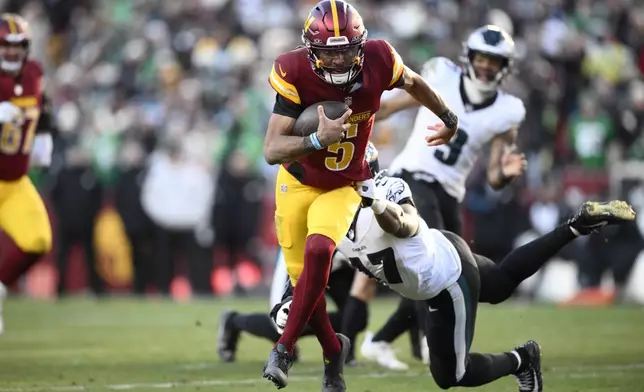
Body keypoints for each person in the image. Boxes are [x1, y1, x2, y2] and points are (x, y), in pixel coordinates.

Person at [272, 169, 636, 391]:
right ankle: (575, 226)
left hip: (446, 278)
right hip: (442, 251)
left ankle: (522, 360)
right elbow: (310, 273)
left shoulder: (386, 191)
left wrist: (377, 205)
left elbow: (406, 222)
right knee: (503, 283)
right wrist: (289, 299)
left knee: (451, 376)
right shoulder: (327, 222)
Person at [261, 0, 459, 390]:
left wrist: (449, 119)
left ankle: (283, 350)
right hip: (297, 181)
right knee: (307, 290)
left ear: (361, 45)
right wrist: (317, 138)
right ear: (311, 50)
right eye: (328, 52)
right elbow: (271, 150)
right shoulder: (293, 69)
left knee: (321, 251)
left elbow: (415, 82)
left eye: (346, 50)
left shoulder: (380, 57)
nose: (337, 61)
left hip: (344, 184)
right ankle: (334, 352)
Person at [350, 25, 530, 368]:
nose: (487, 66)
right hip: (413, 178)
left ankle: (384, 338)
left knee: (452, 270)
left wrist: (504, 175)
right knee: (431, 263)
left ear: (504, 66)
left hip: (449, 191)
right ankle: (419, 342)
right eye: (482, 58)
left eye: (494, 60)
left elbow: (493, 176)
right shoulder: (442, 77)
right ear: (469, 57)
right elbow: (387, 108)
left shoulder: (508, 111)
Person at [217, 143, 381, 364]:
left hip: (339, 261)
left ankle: (340, 352)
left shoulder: (367, 192)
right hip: (304, 255)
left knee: (354, 316)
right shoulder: (320, 172)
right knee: (282, 323)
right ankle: (234, 322)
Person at [0, 14, 55, 335]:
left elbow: (41, 102)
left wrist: (44, 134)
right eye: (4, 46)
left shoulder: (33, 72)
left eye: (17, 45)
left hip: (14, 182)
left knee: (37, 241)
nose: (10, 52)